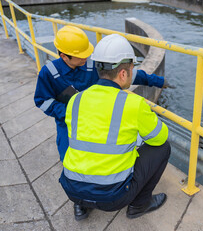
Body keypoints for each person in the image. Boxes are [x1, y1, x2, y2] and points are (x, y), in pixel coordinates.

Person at [59, 33, 171, 221]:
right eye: (132, 68)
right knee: (162, 148)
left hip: (71, 189)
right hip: (113, 197)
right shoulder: (133, 103)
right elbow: (159, 137)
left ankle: (81, 207)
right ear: (123, 73)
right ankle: (139, 205)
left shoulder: (75, 101)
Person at [34, 25, 172, 161]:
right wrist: (69, 112)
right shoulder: (49, 73)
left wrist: (159, 81)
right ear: (64, 56)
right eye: (81, 55)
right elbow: (42, 100)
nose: (86, 57)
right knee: (68, 157)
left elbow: (127, 74)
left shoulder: (91, 65)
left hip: (97, 119)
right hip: (67, 123)